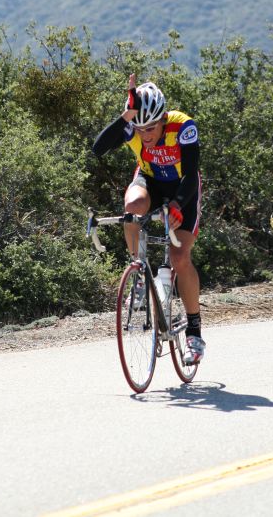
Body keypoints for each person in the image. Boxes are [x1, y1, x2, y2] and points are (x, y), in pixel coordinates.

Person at [92, 74, 205, 364]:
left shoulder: (183, 126)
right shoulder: (133, 126)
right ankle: (139, 273)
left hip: (182, 188)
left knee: (180, 258)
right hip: (150, 181)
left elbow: (191, 174)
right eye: (139, 128)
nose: (145, 134)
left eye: (151, 127)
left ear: (164, 118)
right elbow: (98, 148)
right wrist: (126, 116)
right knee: (132, 208)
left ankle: (194, 332)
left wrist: (178, 206)